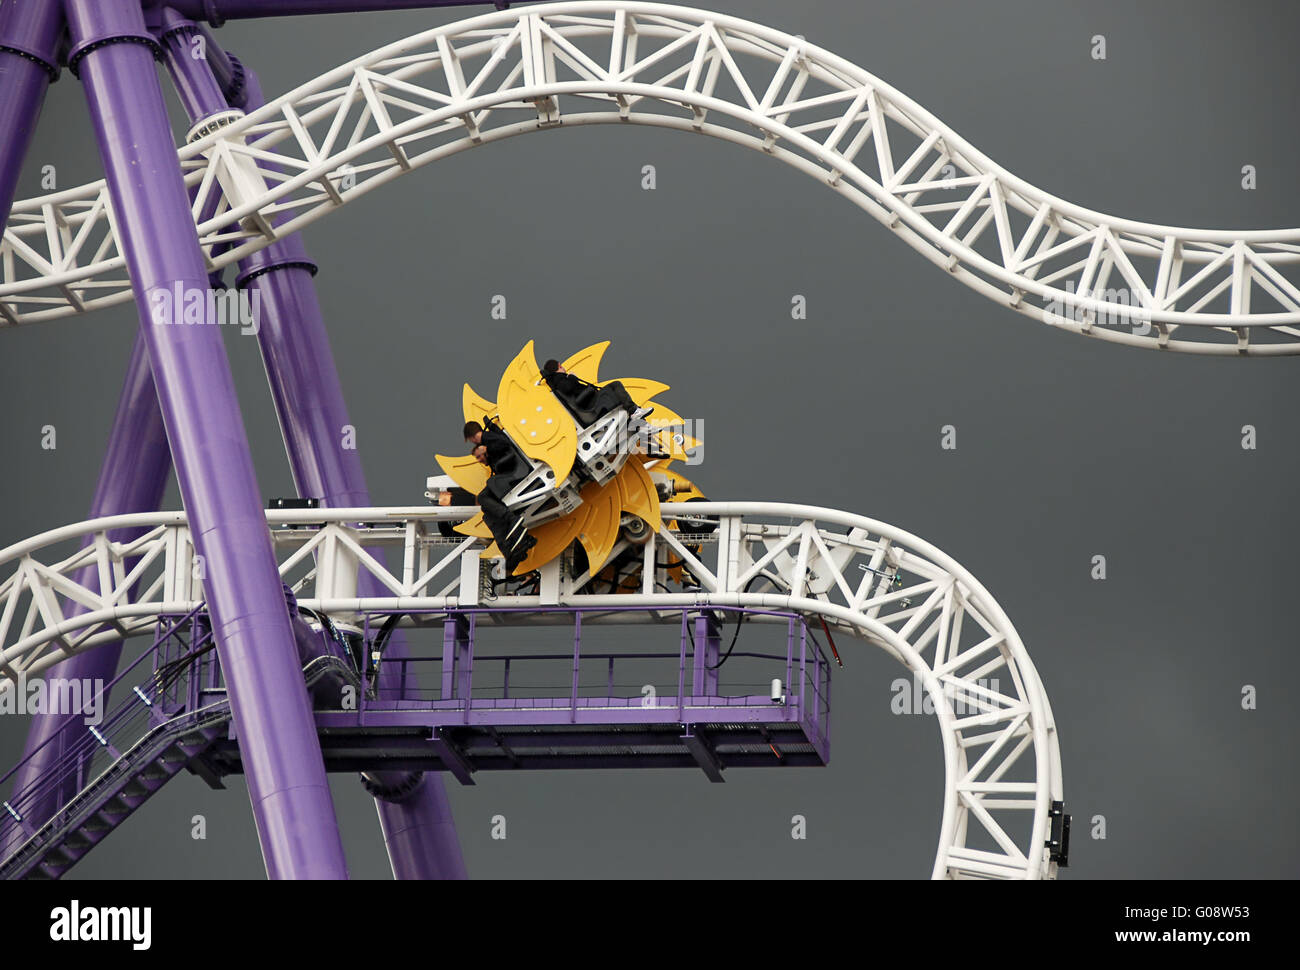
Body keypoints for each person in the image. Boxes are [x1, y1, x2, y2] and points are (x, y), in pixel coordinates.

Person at [464, 419, 537, 574]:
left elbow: (504, 443)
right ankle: (510, 551)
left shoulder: (488, 440)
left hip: (514, 476)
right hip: (508, 478)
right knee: (488, 516)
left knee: (483, 497)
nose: (480, 460)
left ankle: (511, 520)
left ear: (472, 437)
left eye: (479, 456)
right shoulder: (491, 445)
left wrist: (486, 445)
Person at [541, 359, 652, 426]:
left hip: (588, 403)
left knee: (623, 407)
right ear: (559, 366)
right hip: (590, 405)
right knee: (615, 385)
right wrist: (573, 377)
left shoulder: (556, 380)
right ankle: (634, 410)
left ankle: (645, 432)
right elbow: (568, 388)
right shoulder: (559, 379)